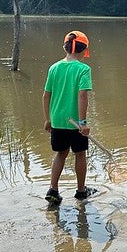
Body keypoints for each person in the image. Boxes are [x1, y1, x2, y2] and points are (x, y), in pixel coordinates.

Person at [42, 30, 98, 207]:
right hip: (75, 122)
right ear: (83, 50)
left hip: (57, 120)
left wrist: (47, 119)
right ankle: (81, 191)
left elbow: (46, 95)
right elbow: (82, 96)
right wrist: (82, 123)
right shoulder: (83, 69)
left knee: (61, 154)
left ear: (65, 47)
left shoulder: (54, 67)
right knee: (80, 154)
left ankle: (53, 190)